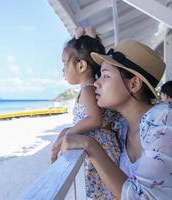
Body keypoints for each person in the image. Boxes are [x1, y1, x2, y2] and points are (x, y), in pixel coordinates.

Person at [60, 40, 172, 199]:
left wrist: (91, 146)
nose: (96, 83)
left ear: (134, 84)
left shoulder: (165, 120)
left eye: (106, 76)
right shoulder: (123, 127)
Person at [51, 27, 121, 199]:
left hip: (99, 150)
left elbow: (95, 119)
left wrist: (69, 133)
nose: (62, 70)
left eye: (64, 63)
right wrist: (66, 131)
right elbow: (88, 119)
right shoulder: (89, 89)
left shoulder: (88, 90)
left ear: (81, 65)